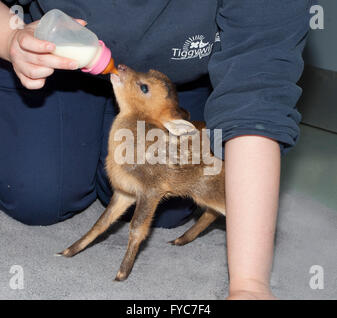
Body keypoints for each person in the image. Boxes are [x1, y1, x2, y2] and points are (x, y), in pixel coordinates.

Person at [0, 0, 311, 299]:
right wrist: (11, 36)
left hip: (172, 87)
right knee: (37, 195)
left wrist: (249, 284)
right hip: (55, 60)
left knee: (169, 206)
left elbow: (256, 89)